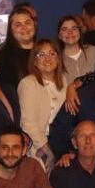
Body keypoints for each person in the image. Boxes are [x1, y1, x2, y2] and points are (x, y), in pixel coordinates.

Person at [18, 39, 68, 168]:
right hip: (39, 145)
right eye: (41, 55)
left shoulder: (63, 81)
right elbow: (28, 123)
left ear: (58, 58)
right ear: (34, 61)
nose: (47, 58)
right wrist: (46, 149)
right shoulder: (28, 84)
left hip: (62, 143)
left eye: (52, 54)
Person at [0, 7, 38, 88]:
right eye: (18, 25)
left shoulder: (44, 50)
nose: (24, 27)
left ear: (34, 25)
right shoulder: (4, 56)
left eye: (27, 23)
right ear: (11, 30)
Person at [56, 14, 95, 86]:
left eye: (74, 28)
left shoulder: (92, 51)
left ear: (80, 32)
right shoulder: (56, 59)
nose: (70, 32)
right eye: (64, 29)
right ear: (59, 35)